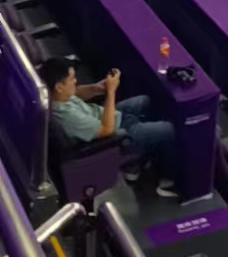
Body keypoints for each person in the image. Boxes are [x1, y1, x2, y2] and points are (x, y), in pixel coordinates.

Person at [42, 57, 176, 183]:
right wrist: (111, 91)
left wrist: (95, 88)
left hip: (109, 117)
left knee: (145, 101)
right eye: (72, 79)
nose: (75, 81)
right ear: (59, 87)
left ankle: (138, 159)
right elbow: (107, 129)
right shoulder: (68, 117)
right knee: (168, 129)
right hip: (115, 136)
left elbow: (76, 93)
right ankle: (167, 180)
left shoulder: (57, 95)